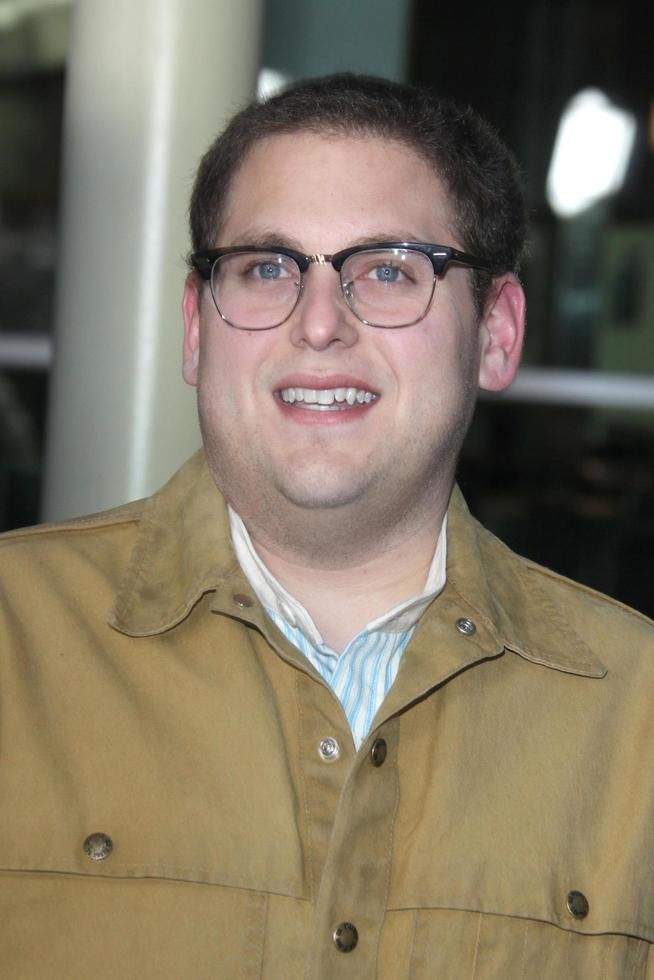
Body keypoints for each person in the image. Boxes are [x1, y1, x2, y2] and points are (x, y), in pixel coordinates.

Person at [1, 73, 653, 980]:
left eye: (387, 271)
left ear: (497, 333)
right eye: (266, 268)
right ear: (196, 329)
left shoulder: (637, 720)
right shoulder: (13, 642)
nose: (317, 325)